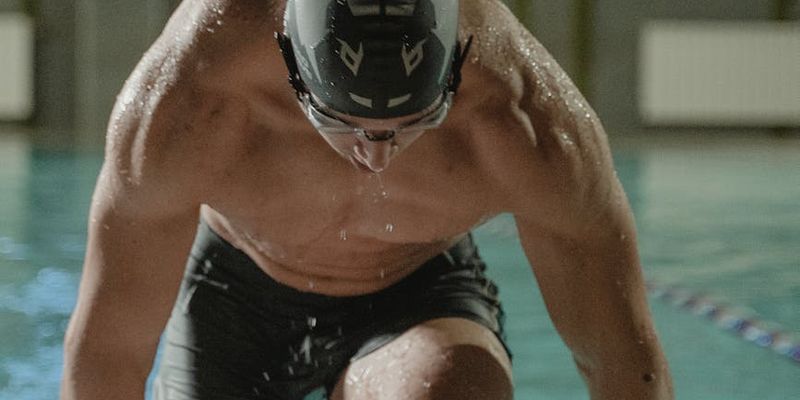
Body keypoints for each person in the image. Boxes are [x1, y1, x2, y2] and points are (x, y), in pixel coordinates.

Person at [61, 0, 674, 399]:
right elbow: (110, 352)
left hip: (416, 287)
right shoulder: (189, 101)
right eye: (344, 125)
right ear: (291, 71)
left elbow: (620, 360)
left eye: (413, 123)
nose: (377, 155)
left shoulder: (524, 123)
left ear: (457, 71)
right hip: (234, 290)